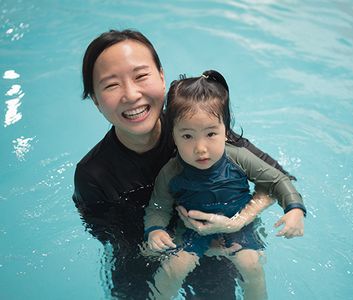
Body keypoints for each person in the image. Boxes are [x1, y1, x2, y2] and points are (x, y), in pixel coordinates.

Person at [73, 29, 305, 299]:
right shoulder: (93, 174)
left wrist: (235, 222)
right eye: (111, 84)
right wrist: (169, 244)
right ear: (96, 101)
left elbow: (278, 180)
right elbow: (113, 242)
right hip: (147, 261)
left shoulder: (198, 127)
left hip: (221, 242)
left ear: (161, 77)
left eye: (140, 76)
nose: (131, 94)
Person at [142, 70, 305, 299]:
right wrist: (155, 230)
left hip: (239, 224)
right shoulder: (170, 172)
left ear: (225, 131)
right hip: (192, 230)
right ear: (173, 136)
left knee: (251, 266)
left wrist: (295, 209)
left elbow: (278, 179)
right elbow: (158, 206)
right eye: (187, 136)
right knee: (173, 269)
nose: (200, 148)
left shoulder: (238, 157)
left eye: (210, 134)